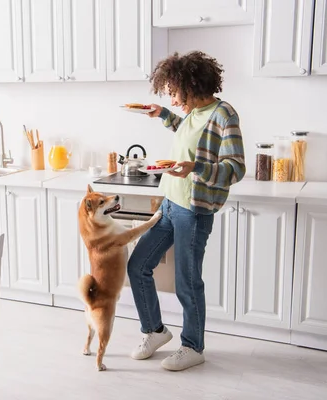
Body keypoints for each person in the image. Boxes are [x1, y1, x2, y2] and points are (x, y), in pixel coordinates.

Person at [127, 51, 246, 371]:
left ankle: (193, 346)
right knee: (138, 266)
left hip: (193, 211)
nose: (171, 97)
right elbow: (187, 131)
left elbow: (235, 168)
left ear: (190, 86)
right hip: (169, 203)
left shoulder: (224, 114)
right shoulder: (193, 112)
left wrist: (195, 168)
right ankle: (154, 330)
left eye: (172, 92)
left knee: (187, 282)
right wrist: (163, 113)